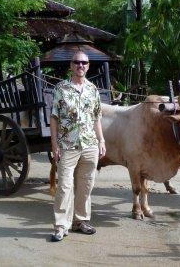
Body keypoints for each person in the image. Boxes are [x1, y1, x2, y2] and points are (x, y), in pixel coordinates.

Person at [50, 51, 106, 242]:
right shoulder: (61, 88)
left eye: (84, 62)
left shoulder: (93, 90)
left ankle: (80, 221)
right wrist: (54, 144)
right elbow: (54, 118)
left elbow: (97, 117)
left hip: (90, 144)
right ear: (71, 65)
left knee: (86, 185)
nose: (80, 65)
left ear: (88, 66)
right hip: (67, 145)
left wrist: (102, 140)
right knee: (65, 186)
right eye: (77, 62)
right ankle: (61, 226)